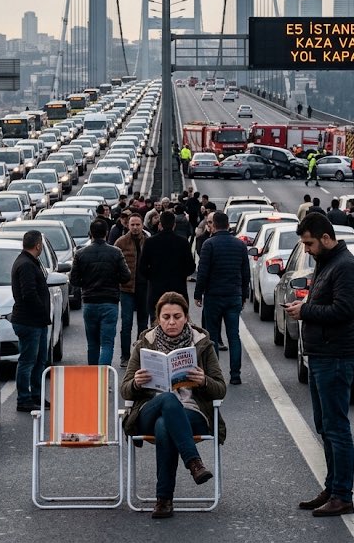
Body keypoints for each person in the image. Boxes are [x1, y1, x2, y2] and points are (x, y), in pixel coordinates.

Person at [284, 213, 354, 518]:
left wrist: (305, 311)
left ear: (326, 238)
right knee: (325, 426)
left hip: (335, 358)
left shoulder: (345, 267)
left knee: (336, 428)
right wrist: (304, 306)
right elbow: (325, 303)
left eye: (309, 243)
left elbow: (344, 311)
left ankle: (342, 495)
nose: (306, 249)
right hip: (321, 356)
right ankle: (332, 488)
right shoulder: (327, 262)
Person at [121, 292, 226, 519]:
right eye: (166, 317)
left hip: (192, 413)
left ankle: (164, 500)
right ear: (158, 319)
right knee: (168, 399)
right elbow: (125, 389)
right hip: (148, 410)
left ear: (186, 317)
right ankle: (194, 462)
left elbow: (220, 389)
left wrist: (204, 381)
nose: (171, 322)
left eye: (177, 317)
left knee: (164, 425)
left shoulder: (202, 344)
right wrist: (137, 383)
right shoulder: (144, 344)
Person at [194, 211, 249, 385]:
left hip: (214, 296)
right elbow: (245, 273)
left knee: (212, 337)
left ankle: (214, 374)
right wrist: (244, 295)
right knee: (234, 336)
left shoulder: (209, 244)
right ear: (228, 225)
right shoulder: (240, 245)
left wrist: (198, 293)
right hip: (233, 295)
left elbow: (203, 272)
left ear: (214, 226)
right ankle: (235, 374)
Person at [70, 218, 131, 366]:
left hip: (89, 301)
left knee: (92, 343)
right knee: (107, 343)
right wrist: (113, 280)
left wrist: (86, 283)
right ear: (107, 232)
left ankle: (93, 377)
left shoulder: (80, 254)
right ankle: (103, 376)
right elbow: (126, 276)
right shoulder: (115, 252)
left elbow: (73, 280)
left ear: (90, 233)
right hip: (109, 302)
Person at [11, 231, 52, 413]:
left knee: (40, 360)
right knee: (28, 361)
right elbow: (29, 294)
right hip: (29, 321)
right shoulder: (25, 264)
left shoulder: (30, 261)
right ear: (38, 245)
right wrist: (42, 310)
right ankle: (23, 398)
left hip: (37, 321)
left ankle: (36, 395)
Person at [141, 212, 196, 323]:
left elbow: (142, 267)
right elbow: (191, 267)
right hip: (178, 289)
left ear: (160, 224)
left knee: (156, 322)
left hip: (156, 290)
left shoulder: (150, 242)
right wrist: (181, 275)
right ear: (174, 225)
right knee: (177, 322)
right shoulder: (183, 242)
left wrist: (153, 276)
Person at [115, 214, 149, 368]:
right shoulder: (121, 242)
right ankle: (125, 356)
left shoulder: (148, 241)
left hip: (144, 287)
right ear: (128, 225)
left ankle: (140, 355)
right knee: (126, 323)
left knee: (143, 323)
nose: (135, 227)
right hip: (126, 288)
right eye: (132, 224)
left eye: (138, 224)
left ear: (142, 225)